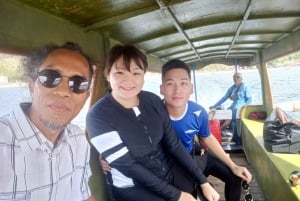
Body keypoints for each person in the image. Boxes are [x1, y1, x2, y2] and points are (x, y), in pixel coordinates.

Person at [86, 44, 220, 201]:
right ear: (107, 75)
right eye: (120, 72)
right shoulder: (98, 116)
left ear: (144, 75)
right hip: (132, 186)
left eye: (136, 73)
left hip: (167, 171)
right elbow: (129, 167)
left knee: (200, 191)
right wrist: (177, 195)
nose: (128, 80)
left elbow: (174, 145)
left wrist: (203, 181)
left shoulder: (152, 101)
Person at [0, 42, 95, 201]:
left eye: (78, 83)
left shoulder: (78, 139)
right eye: (50, 77)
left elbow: (84, 195)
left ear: (86, 96)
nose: (63, 91)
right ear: (32, 86)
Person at [159, 59, 252, 201]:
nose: (177, 90)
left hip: (197, 157)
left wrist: (233, 165)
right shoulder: (154, 115)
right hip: (176, 166)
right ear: (162, 89)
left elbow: (207, 137)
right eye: (170, 83)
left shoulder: (198, 112)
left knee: (235, 176)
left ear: (191, 89)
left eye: (183, 83)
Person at [210, 72, 252, 144]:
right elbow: (224, 98)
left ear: (241, 78)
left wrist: (245, 106)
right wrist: (215, 105)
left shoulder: (245, 87)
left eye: (238, 77)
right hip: (232, 107)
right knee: (221, 114)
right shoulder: (231, 88)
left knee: (231, 117)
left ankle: (236, 138)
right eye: (234, 77)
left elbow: (249, 99)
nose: (236, 79)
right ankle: (215, 132)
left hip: (240, 108)